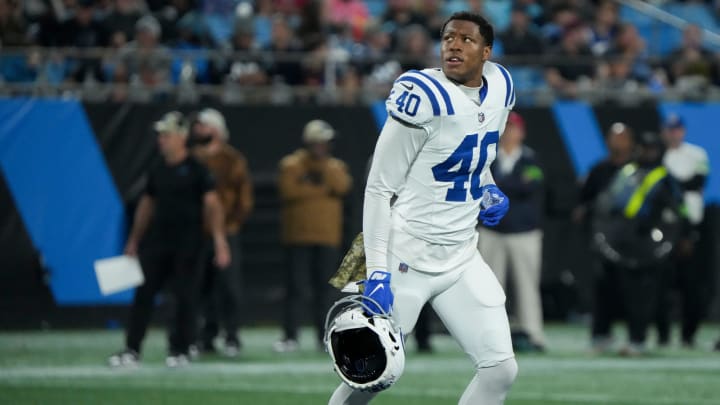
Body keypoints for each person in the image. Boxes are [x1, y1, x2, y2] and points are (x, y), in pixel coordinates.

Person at [329, 11, 517, 405]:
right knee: (370, 377)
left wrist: (488, 188)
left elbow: (475, 161)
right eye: (449, 37)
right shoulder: (422, 97)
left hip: (461, 255)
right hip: (405, 258)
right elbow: (379, 189)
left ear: (486, 52)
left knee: (500, 370)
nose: (454, 44)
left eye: (466, 39)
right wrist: (377, 272)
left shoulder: (501, 85)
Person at [108, 111, 230, 368]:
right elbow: (146, 205)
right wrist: (133, 240)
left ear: (180, 137)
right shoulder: (157, 169)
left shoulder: (197, 170)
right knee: (143, 295)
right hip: (157, 242)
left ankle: (180, 349)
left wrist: (219, 241)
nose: (161, 140)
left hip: (188, 244)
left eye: (166, 135)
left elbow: (213, 206)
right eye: (160, 135)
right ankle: (132, 349)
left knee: (185, 297)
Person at [590, 131, 687, 356]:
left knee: (644, 295)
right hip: (619, 239)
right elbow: (607, 201)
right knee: (611, 290)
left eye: (651, 149)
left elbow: (678, 210)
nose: (647, 153)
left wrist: (679, 237)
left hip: (647, 244)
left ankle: (639, 338)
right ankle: (603, 335)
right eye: (644, 148)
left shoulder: (665, 176)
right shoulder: (627, 171)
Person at [275, 119, 353, 352]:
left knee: (325, 291)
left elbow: (342, 187)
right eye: (319, 142)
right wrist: (321, 190)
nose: (322, 147)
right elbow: (289, 190)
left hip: (327, 237)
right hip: (297, 237)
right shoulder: (292, 164)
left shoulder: (334, 166)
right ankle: (290, 336)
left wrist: (315, 179)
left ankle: (325, 335)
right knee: (295, 288)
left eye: (326, 143)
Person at [477, 111, 546, 352]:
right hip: (493, 231)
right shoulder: (489, 157)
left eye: (513, 128)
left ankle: (533, 334)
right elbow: (482, 187)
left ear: (522, 132)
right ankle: (488, 338)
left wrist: (499, 186)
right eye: (505, 128)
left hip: (524, 232)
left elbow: (531, 185)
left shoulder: (531, 159)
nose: (509, 133)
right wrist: (511, 186)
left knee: (528, 286)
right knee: (488, 288)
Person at [190, 108, 254, 357]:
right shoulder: (192, 158)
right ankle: (203, 337)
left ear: (214, 130)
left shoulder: (232, 159)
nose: (198, 131)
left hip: (225, 231)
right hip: (197, 232)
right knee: (199, 288)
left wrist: (232, 224)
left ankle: (232, 336)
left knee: (229, 287)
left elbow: (244, 198)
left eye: (203, 127)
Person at [574, 122, 636, 353]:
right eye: (613, 137)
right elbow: (583, 202)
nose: (617, 142)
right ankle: (601, 334)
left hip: (631, 240)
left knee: (632, 290)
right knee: (602, 287)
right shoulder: (599, 169)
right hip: (603, 239)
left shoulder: (638, 170)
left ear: (630, 141)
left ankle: (635, 337)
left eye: (622, 138)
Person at [655, 114, 710, 348]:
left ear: (683, 131)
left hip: (693, 225)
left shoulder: (697, 154)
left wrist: (671, 184)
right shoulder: (659, 156)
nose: (673, 133)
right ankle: (663, 335)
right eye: (669, 129)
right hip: (665, 227)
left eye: (677, 129)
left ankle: (688, 335)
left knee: (693, 285)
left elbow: (697, 182)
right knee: (661, 284)